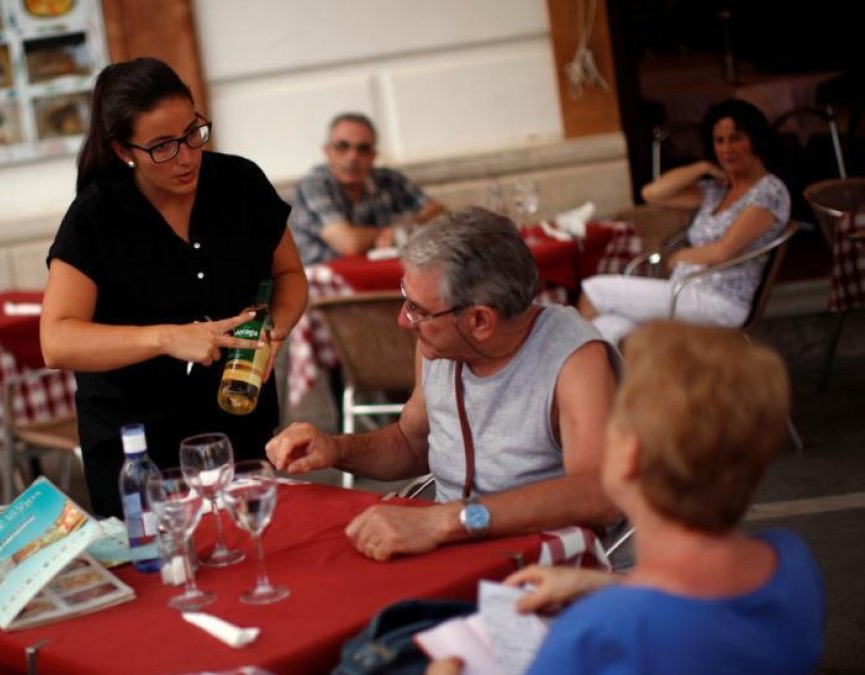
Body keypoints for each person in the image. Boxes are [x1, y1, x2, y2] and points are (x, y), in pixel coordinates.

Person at [427, 321, 825, 675]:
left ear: (630, 455)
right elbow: (703, 616)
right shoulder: (792, 563)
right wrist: (604, 584)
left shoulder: (599, 632)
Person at [267, 208, 622, 561]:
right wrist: (336, 449)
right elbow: (412, 443)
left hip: (542, 561)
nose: (403, 320)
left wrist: (449, 520)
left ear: (479, 320)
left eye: (418, 309)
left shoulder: (574, 359)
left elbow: (597, 496)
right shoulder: (437, 345)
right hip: (449, 548)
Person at [41, 57, 308, 518]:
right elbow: (57, 341)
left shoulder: (240, 183)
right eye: (162, 146)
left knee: (256, 558)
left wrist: (272, 335)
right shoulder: (96, 217)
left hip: (240, 426)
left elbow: (289, 277)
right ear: (124, 150)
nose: (186, 156)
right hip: (140, 451)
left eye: (192, 133)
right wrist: (168, 337)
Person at [578, 99, 790, 345]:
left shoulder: (769, 191)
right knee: (610, 326)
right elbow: (652, 194)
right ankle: (626, 383)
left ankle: (583, 379)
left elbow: (724, 251)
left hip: (719, 301)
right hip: (685, 294)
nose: (727, 149)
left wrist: (681, 256)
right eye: (719, 141)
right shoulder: (717, 190)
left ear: (756, 139)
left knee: (595, 290)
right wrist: (703, 167)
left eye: (736, 138)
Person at [290, 112, 445, 264]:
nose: (353, 157)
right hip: (322, 283)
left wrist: (406, 227)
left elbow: (439, 213)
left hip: (373, 275)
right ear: (327, 151)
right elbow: (349, 244)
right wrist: (391, 233)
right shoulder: (314, 185)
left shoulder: (388, 180)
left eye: (363, 149)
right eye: (342, 147)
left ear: (373, 155)